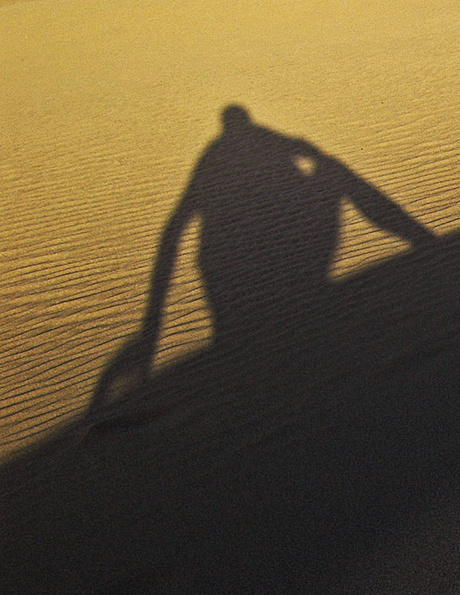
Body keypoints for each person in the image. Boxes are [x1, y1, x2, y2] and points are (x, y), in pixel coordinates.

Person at [90, 104, 435, 411]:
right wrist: (153, 327)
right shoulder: (253, 146)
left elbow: (174, 231)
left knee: (330, 171)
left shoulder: (216, 158)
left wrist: (153, 324)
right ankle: (421, 239)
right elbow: (312, 152)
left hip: (263, 280)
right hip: (262, 283)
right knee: (332, 170)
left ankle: (420, 239)